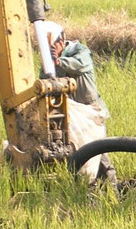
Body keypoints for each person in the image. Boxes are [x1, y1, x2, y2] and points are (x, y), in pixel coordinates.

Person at [46, 24, 117, 185]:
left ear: (62, 40)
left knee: (98, 150)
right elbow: (44, 81)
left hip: (90, 112)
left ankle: (112, 187)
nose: (51, 49)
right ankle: (80, 185)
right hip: (67, 113)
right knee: (70, 150)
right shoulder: (49, 62)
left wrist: (58, 61)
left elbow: (79, 65)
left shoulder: (79, 51)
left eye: (53, 45)